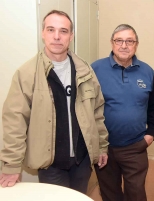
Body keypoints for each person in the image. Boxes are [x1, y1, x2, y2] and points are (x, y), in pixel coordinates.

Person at [0, 10, 109, 194]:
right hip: (50, 164)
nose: (57, 36)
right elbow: (14, 121)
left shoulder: (85, 70)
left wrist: (102, 146)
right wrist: (11, 164)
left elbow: (97, 112)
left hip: (82, 160)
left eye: (63, 31)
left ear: (71, 36)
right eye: (51, 30)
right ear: (43, 33)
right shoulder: (26, 74)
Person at [91, 24, 154, 201]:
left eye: (129, 41)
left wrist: (151, 134)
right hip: (104, 147)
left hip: (135, 146)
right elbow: (86, 108)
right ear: (112, 43)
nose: (124, 45)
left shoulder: (148, 72)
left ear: (136, 44)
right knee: (110, 193)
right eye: (119, 41)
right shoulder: (95, 70)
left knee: (136, 194)